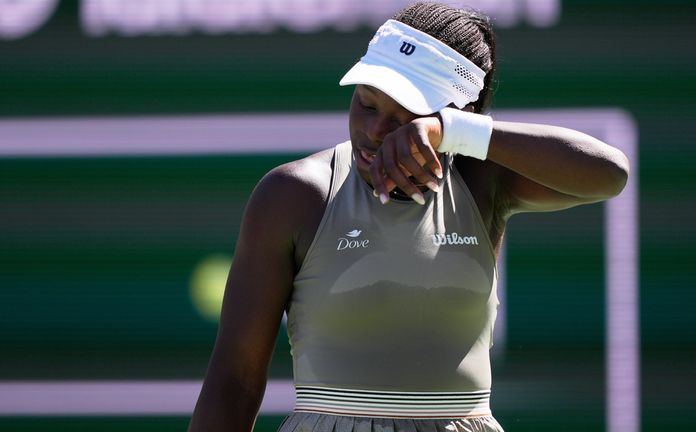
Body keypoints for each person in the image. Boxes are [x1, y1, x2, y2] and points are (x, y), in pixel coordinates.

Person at [188, 2, 629, 431]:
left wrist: (453, 133)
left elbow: (609, 173)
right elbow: (235, 380)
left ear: (458, 117)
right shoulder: (294, 194)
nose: (375, 130)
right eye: (366, 103)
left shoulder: (484, 180)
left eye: (404, 117)